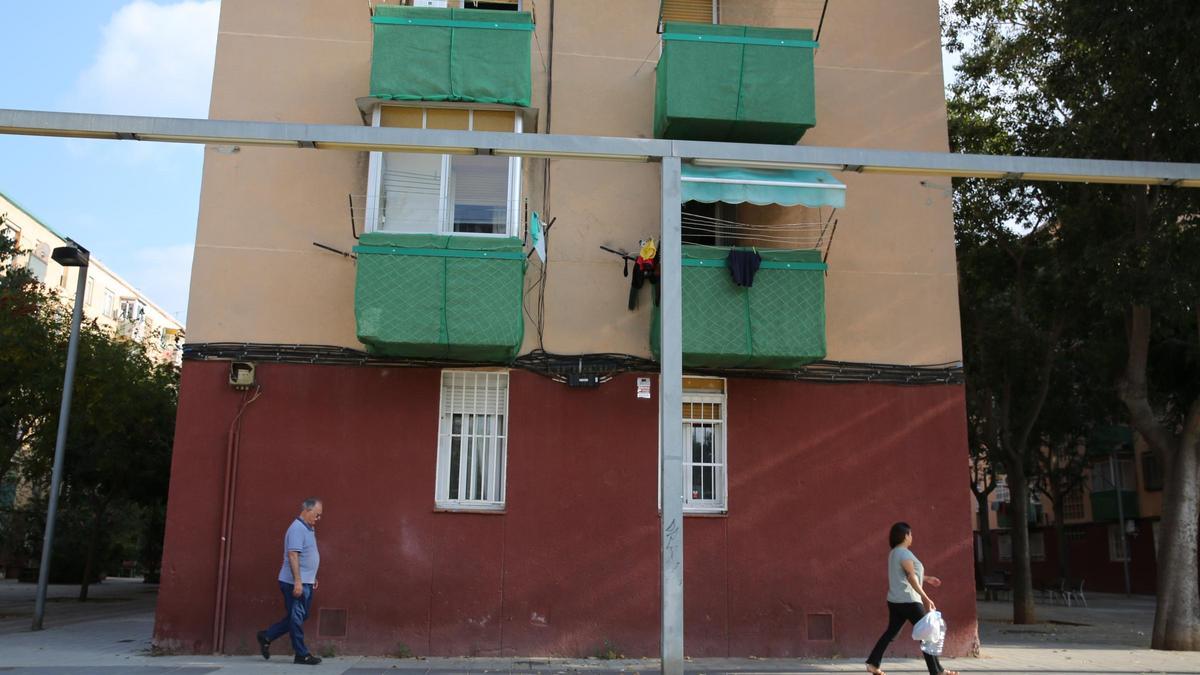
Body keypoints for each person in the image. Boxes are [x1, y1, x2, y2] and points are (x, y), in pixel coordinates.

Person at [865, 522, 958, 675]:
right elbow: (911, 578)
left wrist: (926, 578)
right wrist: (926, 598)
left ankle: (873, 663)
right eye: (910, 534)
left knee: (891, 633)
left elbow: (905, 575)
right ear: (905, 536)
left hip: (895, 601)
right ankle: (937, 671)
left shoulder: (894, 553)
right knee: (927, 634)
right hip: (909, 601)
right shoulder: (905, 553)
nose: (911, 537)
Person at [256, 498, 324, 665]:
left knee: (300, 616)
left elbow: (307, 555)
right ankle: (301, 654)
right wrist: (299, 582)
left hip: (305, 581)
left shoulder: (308, 528)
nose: (318, 519)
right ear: (307, 511)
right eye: (317, 515)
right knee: (296, 618)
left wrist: (311, 576)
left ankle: (267, 635)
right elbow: (293, 555)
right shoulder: (297, 529)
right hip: (294, 582)